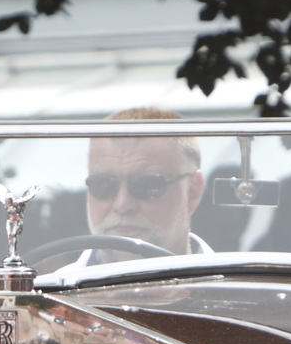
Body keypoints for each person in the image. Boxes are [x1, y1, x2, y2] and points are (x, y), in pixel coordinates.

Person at [84, 109, 208, 258]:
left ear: (192, 192)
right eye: (102, 185)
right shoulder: (52, 281)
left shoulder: (235, 280)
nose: (122, 205)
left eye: (147, 185)